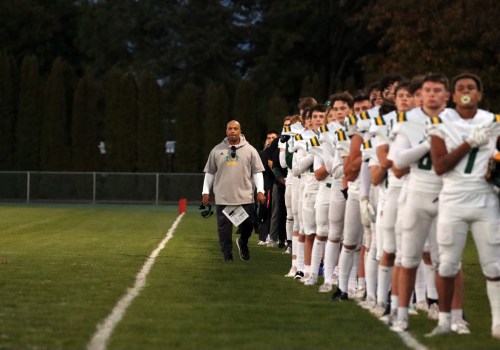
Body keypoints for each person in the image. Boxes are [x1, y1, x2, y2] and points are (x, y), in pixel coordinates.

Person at [428, 73, 500, 338]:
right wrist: (469, 143)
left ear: (479, 94)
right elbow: (440, 166)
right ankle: (445, 321)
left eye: (471, 87)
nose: (466, 91)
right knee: (447, 265)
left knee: (493, 266)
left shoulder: (493, 121)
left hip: (484, 198)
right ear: (454, 96)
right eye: (460, 88)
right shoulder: (440, 122)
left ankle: (497, 322)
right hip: (453, 199)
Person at [202, 120, 266, 262]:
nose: (232, 131)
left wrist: (260, 190)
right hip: (223, 197)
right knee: (224, 229)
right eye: (230, 128)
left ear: (240, 131)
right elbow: (210, 173)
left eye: (235, 129)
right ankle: (227, 253)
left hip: (245, 196)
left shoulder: (250, 150)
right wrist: (205, 192)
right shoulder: (216, 150)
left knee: (248, 225)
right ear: (226, 131)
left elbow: (257, 172)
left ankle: (243, 241)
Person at [257, 130, 279, 245]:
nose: (270, 140)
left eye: (273, 138)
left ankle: (272, 235)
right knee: (264, 210)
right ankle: (263, 236)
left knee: (274, 211)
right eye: (268, 138)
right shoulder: (262, 154)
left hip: (274, 184)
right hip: (265, 185)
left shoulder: (280, 153)